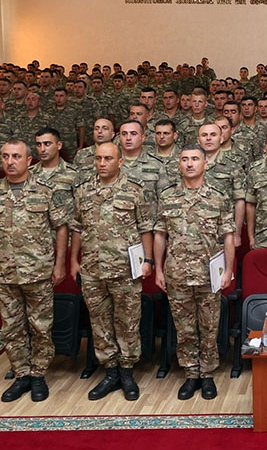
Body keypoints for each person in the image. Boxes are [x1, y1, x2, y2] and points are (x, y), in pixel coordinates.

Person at [0, 139, 70, 402]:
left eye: (16, 156)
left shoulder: (46, 190)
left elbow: (61, 227)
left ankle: (38, 375)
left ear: (29, 160)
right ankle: (21, 374)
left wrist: (60, 264)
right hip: (5, 273)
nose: (10, 162)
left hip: (38, 271)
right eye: (5, 156)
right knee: (11, 327)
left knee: (41, 326)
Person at [69, 142, 154, 402]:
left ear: (120, 162)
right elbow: (77, 228)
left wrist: (148, 260)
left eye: (108, 158)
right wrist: (73, 260)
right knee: (99, 321)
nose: (102, 163)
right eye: (98, 158)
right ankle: (110, 371)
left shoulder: (135, 190)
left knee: (128, 321)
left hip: (125, 269)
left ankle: (127, 372)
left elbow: (145, 227)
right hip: (92, 269)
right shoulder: (83, 191)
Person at [154, 146, 236, 401]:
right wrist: (158, 269)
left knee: (209, 327)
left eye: (195, 159)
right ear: (179, 164)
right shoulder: (168, 196)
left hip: (208, 275)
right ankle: (191, 374)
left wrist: (229, 270)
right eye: (185, 159)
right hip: (177, 273)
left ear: (205, 163)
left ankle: (207, 374)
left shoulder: (218, 196)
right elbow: (160, 234)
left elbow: (228, 236)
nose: (190, 164)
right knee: (184, 328)